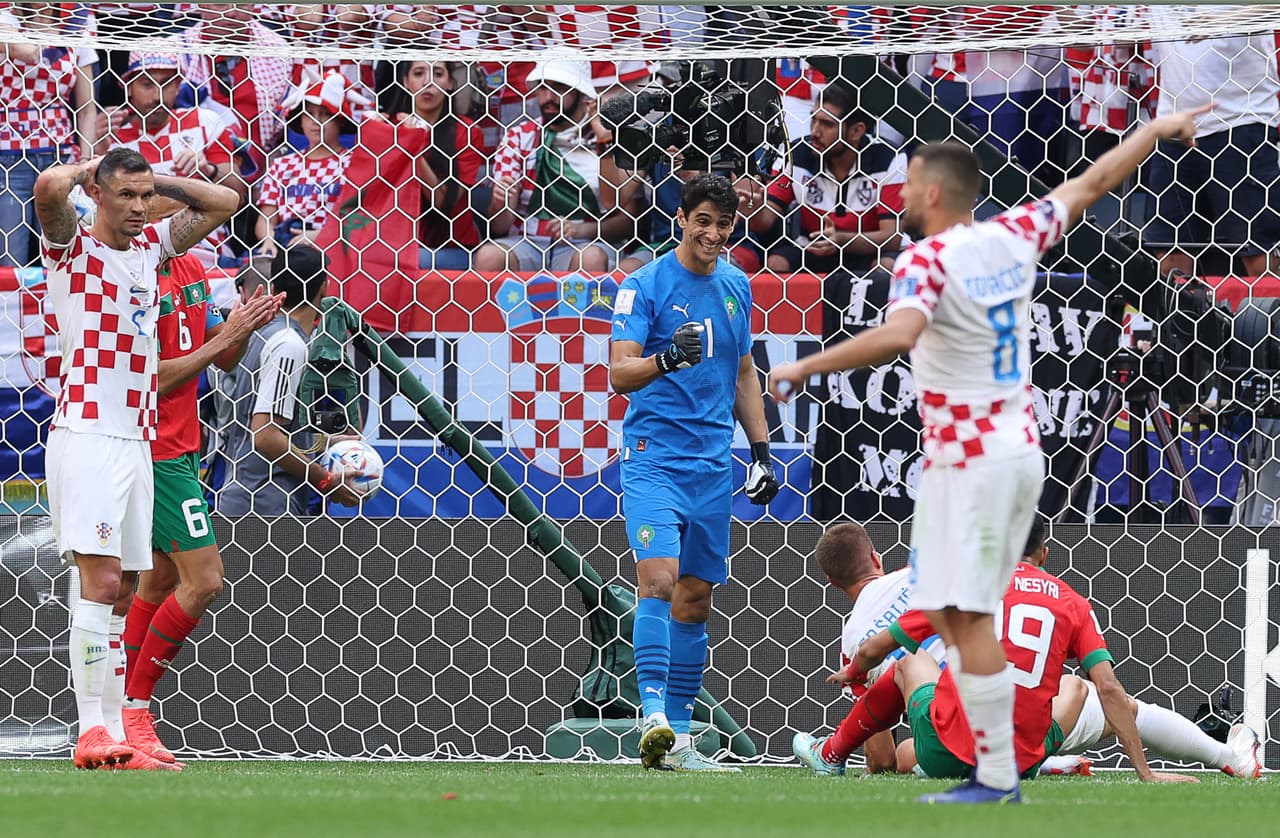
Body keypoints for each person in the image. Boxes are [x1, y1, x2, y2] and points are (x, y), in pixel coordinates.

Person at [769, 104, 1211, 803]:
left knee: (957, 612)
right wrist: (1153, 133)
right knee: (958, 612)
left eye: (909, 183)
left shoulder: (925, 258)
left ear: (934, 192)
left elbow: (900, 333)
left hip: (966, 462)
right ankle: (997, 771)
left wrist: (806, 367)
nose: (901, 194)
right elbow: (1092, 184)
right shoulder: (1011, 235)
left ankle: (999, 774)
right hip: (1018, 454)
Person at [34, 146, 240, 769]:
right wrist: (90, 167)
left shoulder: (152, 249)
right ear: (96, 195)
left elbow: (225, 201)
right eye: (125, 196)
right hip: (90, 432)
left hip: (138, 439)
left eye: (145, 196)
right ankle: (91, 731)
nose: (139, 207)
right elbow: (47, 187)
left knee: (123, 591)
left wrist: (151, 180)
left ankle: (116, 734)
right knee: (99, 583)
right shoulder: (74, 252)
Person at [812, 518, 1200, 791]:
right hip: (1019, 758)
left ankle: (830, 754)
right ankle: (1223, 754)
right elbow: (1111, 690)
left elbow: (873, 649)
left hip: (948, 744)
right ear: (1044, 554)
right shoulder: (1073, 603)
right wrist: (1145, 773)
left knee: (909, 672)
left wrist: (855, 672)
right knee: (1080, 689)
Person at [608, 174, 779, 772]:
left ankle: (677, 738)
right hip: (654, 457)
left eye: (723, 224)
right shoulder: (644, 285)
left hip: (713, 464)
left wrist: (761, 451)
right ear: (682, 219)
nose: (712, 234)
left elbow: (743, 374)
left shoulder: (736, 286)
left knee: (697, 598)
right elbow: (619, 374)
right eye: (702, 221)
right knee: (657, 580)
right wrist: (666, 359)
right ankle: (650, 713)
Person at [118, 252, 282, 764]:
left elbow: (226, 358)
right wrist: (221, 337)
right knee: (205, 579)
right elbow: (152, 379)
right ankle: (135, 710)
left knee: (161, 579)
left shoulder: (190, 270)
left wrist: (244, 325)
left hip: (184, 444)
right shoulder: (132, 275)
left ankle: (118, 710)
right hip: (154, 448)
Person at [217, 246, 364, 516]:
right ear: (324, 288)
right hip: (263, 505)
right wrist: (324, 480)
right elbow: (265, 436)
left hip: (254, 498)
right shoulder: (289, 345)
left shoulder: (263, 334)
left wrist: (332, 440)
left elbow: (279, 427)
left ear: (274, 287)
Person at [476, 60, 635, 273]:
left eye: (559, 88)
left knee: (591, 258)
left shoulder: (608, 137)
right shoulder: (519, 136)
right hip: (527, 242)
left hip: (586, 243)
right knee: (489, 256)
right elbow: (500, 226)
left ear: (581, 93)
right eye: (543, 87)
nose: (548, 97)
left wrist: (604, 142)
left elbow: (622, 215)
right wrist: (501, 201)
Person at [94, 48, 246, 266]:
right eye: (147, 85)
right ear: (128, 87)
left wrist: (208, 168)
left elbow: (239, 194)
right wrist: (98, 146)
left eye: (166, 84)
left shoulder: (205, 122)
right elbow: (92, 209)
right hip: (134, 253)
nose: (157, 95)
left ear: (178, 87)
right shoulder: (111, 136)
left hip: (202, 251)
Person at [749, 85, 907, 275]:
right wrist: (754, 209)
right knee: (775, 264)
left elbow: (892, 237)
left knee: (885, 268)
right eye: (813, 119)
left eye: (827, 124)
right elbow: (764, 221)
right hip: (813, 247)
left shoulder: (890, 159)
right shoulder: (795, 154)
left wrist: (841, 239)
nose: (815, 131)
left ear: (856, 131)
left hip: (870, 250)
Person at [0, 3, 97, 267]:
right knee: (11, 258)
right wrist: (67, 28)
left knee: (66, 255)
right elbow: (28, 52)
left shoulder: (79, 26)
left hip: (61, 155)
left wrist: (85, 160)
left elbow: (87, 108)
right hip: (9, 159)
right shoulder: (5, 19)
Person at [382, 60, 484, 270]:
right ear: (405, 81)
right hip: (395, 242)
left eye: (437, 74)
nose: (428, 82)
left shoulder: (467, 132)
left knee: (407, 261)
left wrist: (412, 145)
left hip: (453, 248)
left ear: (449, 83)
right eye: (419, 73)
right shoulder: (387, 128)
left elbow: (444, 203)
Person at [256, 72, 361, 257]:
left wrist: (321, 236)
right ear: (300, 120)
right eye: (309, 114)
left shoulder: (354, 164)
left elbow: (359, 219)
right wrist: (268, 239)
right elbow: (266, 218)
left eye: (326, 114)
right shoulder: (282, 165)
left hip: (336, 249)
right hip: (286, 248)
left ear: (340, 120)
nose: (316, 122)